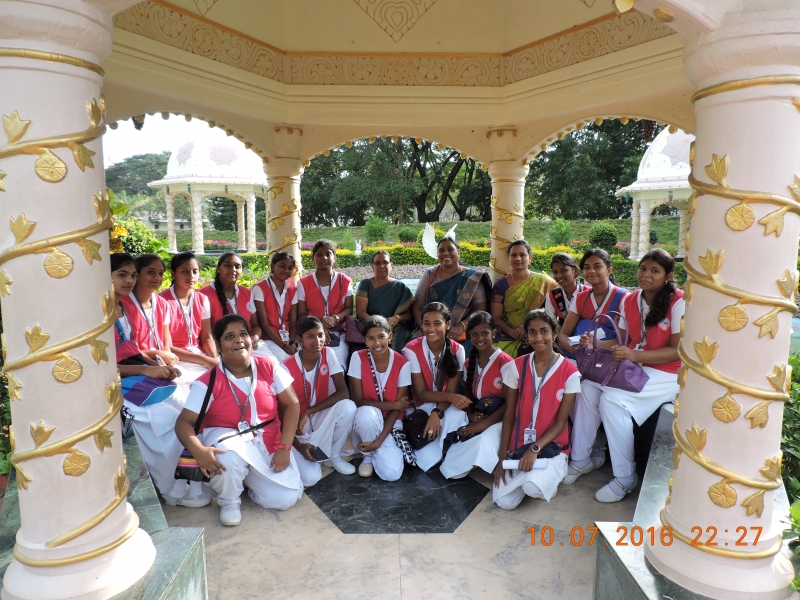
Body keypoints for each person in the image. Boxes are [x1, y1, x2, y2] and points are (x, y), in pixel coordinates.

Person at [566, 249, 684, 502]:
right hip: (635, 366)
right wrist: (595, 344)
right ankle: (581, 459)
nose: (646, 275)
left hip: (667, 372)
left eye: (655, 271)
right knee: (587, 387)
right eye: (643, 269)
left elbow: (677, 350)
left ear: (667, 275)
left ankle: (625, 476)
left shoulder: (678, 302)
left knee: (612, 401)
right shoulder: (630, 300)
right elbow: (621, 341)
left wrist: (635, 355)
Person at [175, 314, 305, 527]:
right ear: (218, 346)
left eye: (243, 334)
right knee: (228, 456)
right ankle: (229, 501)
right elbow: (183, 423)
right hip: (227, 439)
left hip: (266, 441)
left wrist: (285, 447)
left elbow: (292, 404)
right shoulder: (207, 381)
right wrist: (198, 451)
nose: (238, 340)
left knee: (284, 499)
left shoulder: (269, 365)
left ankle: (244, 482)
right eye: (229, 336)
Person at [111, 253, 208, 508]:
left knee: (183, 409)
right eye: (122, 275)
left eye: (132, 275)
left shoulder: (120, 307)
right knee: (166, 420)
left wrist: (156, 367)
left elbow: (132, 349)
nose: (129, 280)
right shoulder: (98, 313)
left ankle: (191, 479)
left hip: (136, 374)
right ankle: (172, 489)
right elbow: (100, 367)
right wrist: (147, 370)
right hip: (116, 384)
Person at [493, 309, 580, 509]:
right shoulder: (516, 366)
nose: (538, 337)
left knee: (533, 488)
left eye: (544, 331)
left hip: (551, 448)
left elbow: (561, 423)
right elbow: (509, 414)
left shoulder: (570, 372)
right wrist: (502, 458)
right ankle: (534, 476)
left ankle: (551, 475)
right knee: (505, 503)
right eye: (532, 332)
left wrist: (535, 449)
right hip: (519, 446)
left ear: (555, 333)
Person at [281, 316, 357, 484]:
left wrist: (309, 411)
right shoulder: (286, 367)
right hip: (298, 425)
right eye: (310, 336)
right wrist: (298, 444)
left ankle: (334, 456)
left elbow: (343, 392)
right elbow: (281, 414)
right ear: (300, 339)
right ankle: (300, 450)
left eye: (320, 335)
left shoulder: (328, 354)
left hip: (318, 414)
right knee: (310, 478)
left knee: (348, 407)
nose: (317, 340)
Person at [440, 312, 513, 480]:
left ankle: (490, 457)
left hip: (502, 419)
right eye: (475, 334)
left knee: (482, 443)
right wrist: (471, 416)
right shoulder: (469, 363)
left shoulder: (505, 362)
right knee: (455, 459)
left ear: (494, 333)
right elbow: (468, 395)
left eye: (485, 333)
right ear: (470, 336)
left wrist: (481, 425)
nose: (480, 338)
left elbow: (510, 404)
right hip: (481, 415)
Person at [402, 302, 469, 471]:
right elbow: (421, 393)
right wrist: (448, 399)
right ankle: (441, 447)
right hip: (419, 407)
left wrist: (438, 412)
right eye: (426, 323)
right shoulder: (411, 349)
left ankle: (447, 447)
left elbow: (451, 390)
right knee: (427, 460)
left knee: (459, 415)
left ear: (448, 325)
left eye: (437, 323)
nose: (431, 328)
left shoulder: (457, 350)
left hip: (443, 405)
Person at [348, 315, 412, 480]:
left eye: (381, 336)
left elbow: (397, 411)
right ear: (365, 340)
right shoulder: (357, 357)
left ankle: (376, 448)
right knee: (367, 413)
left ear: (390, 336)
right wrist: (395, 405)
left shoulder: (403, 364)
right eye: (371, 338)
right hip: (366, 422)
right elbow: (358, 401)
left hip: (391, 423)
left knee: (392, 474)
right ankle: (368, 456)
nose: (376, 343)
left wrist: (378, 443)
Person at [413, 237, 490, 355]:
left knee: (464, 352)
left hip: (460, 331)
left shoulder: (472, 277)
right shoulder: (430, 274)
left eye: (450, 249)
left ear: (458, 252)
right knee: (414, 349)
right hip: (431, 329)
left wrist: (462, 326)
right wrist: (425, 328)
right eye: (441, 250)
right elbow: (418, 306)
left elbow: (480, 307)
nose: (445, 253)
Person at [198, 252, 272, 359]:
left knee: (270, 362)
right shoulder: (203, 295)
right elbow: (204, 334)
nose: (233, 269)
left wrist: (254, 338)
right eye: (228, 265)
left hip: (247, 345)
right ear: (218, 268)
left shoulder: (247, 293)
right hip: (220, 348)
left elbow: (255, 326)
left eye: (237, 267)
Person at [556, 248, 627, 358]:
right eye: (587, 267)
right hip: (579, 357)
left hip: (608, 360)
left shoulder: (624, 298)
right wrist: (578, 350)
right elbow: (563, 335)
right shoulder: (581, 298)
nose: (591, 271)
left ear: (609, 270)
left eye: (597, 267)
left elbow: (624, 340)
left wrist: (596, 344)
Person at [491, 240, 557, 357]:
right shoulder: (500, 285)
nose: (518, 258)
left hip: (537, 333)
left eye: (522, 255)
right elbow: (496, 318)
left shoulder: (543, 282)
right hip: (508, 335)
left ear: (530, 258)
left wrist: (527, 329)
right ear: (509, 258)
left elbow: (551, 312)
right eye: (513, 255)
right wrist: (513, 333)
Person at [160, 252, 218, 381]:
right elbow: (167, 347)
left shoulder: (202, 299)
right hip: (177, 358)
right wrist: (205, 360)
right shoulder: (162, 301)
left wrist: (214, 359)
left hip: (199, 353)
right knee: (201, 383)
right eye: (184, 272)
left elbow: (206, 337)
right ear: (173, 274)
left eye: (195, 271)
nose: (191, 276)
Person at [296, 240, 353, 369]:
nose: (324, 258)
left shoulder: (345, 281)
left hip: (338, 332)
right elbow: (302, 314)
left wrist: (335, 318)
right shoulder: (303, 283)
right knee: (304, 364)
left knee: (336, 363)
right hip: (311, 331)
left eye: (328, 254)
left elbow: (349, 308)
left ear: (334, 257)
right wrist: (318, 328)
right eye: (319, 255)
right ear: (313, 258)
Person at [121, 254, 177, 366]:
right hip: (136, 362)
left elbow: (166, 343)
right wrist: (157, 355)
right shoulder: (123, 304)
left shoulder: (163, 304)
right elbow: (125, 349)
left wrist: (167, 361)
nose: (157, 277)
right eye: (151, 272)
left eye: (160, 273)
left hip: (161, 361)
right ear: (136, 275)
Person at [354, 250, 414, 351]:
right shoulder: (365, 284)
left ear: (391, 265)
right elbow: (361, 312)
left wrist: (397, 318)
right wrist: (377, 323)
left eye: (385, 262)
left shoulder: (400, 287)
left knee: (401, 343)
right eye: (377, 263)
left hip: (394, 326)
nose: (382, 266)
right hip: (370, 324)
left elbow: (410, 314)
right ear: (372, 267)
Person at [253, 251, 299, 363]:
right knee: (286, 361)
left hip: (288, 338)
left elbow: (293, 323)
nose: (286, 270)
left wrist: (292, 342)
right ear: (273, 266)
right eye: (282, 266)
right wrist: (284, 346)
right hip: (269, 339)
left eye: (290, 268)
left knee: (307, 357)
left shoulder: (292, 291)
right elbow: (263, 324)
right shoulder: (260, 288)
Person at [544, 252, 589, 326]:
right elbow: (549, 323)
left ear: (575, 271)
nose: (559, 276)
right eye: (555, 272)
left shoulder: (589, 293)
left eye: (564, 270)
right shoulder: (552, 296)